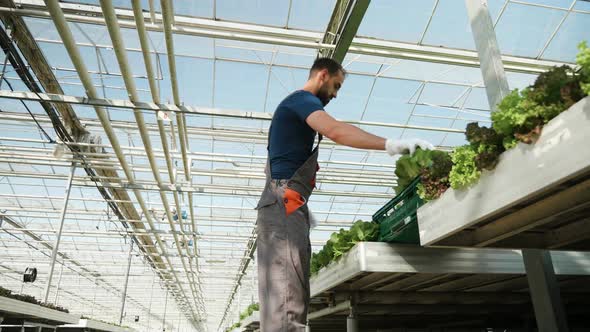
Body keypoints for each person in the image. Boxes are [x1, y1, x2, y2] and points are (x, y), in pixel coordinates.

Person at [255, 57, 433, 331]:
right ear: (322, 75)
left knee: (282, 292)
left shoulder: (290, 110)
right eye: (336, 86)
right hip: (282, 205)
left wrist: (294, 201)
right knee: (288, 297)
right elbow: (336, 131)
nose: (335, 95)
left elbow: (275, 167)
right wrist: (391, 144)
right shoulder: (302, 101)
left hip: (282, 203)